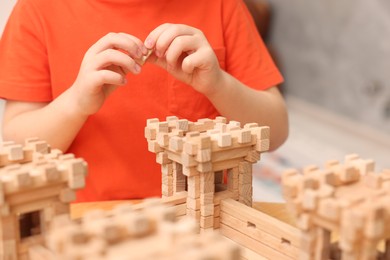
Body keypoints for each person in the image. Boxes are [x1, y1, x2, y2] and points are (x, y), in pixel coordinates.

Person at [0, 0, 288, 202]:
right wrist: (75, 103)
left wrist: (219, 85)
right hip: (81, 222)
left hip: (202, 222)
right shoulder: (37, 9)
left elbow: (275, 131)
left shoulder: (221, 6)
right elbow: (19, 146)